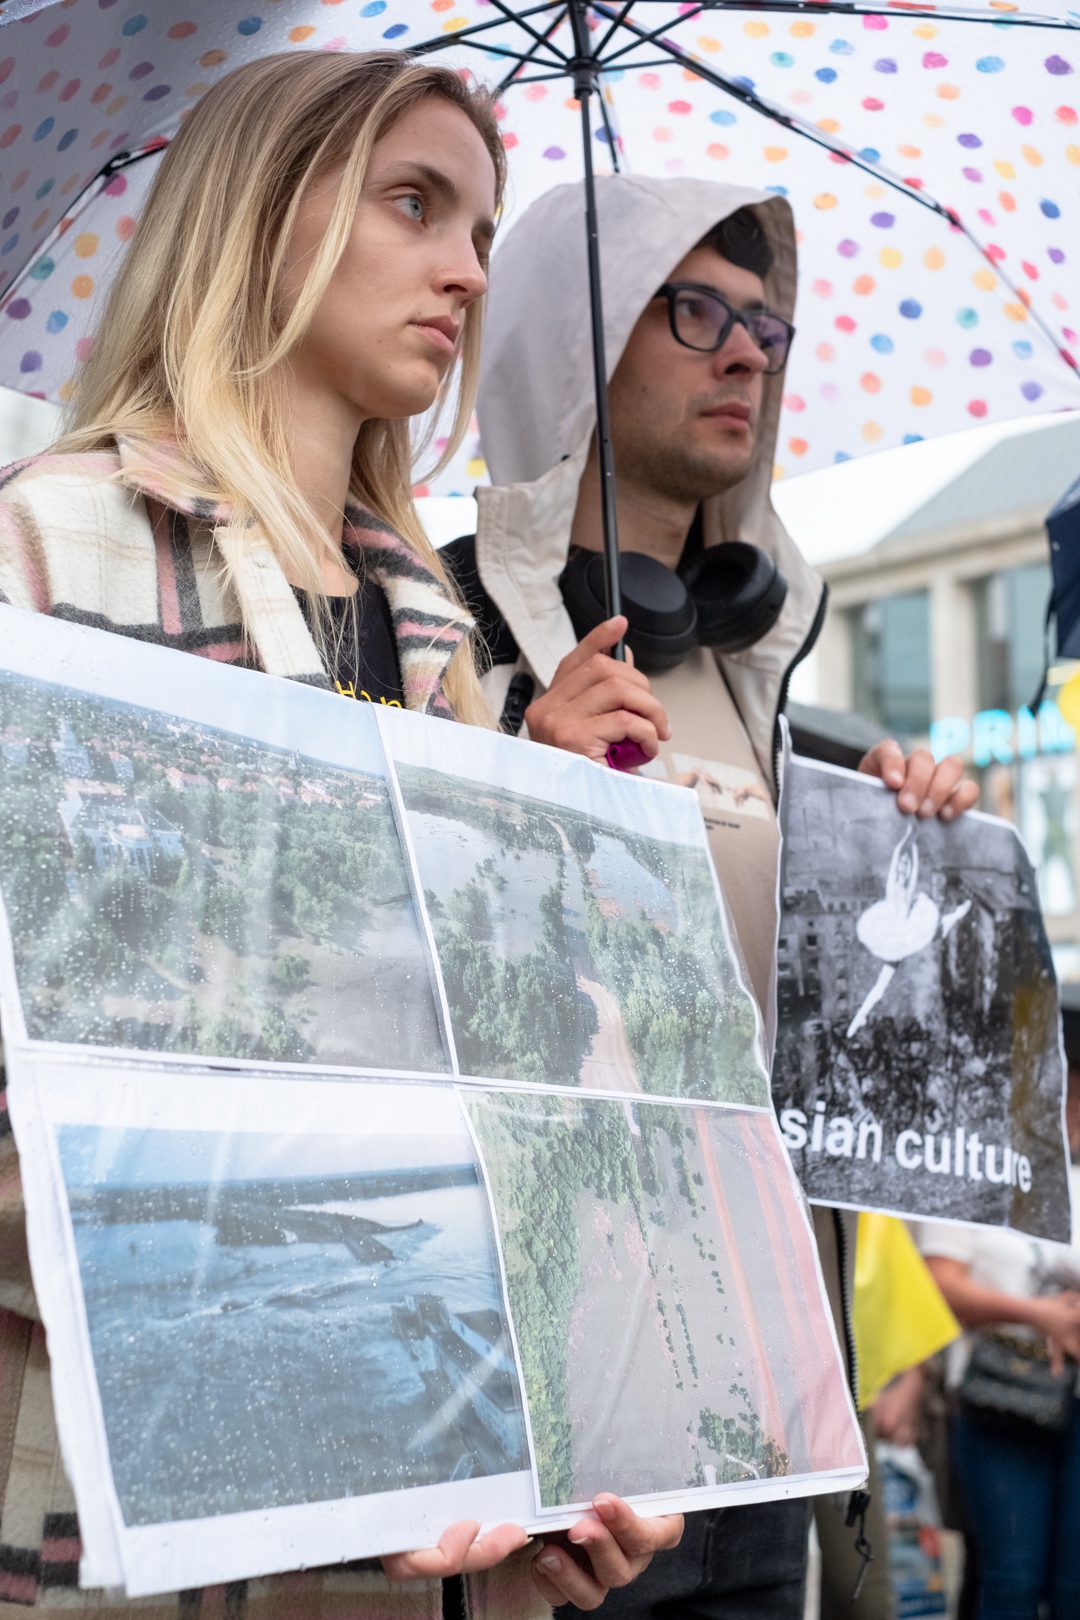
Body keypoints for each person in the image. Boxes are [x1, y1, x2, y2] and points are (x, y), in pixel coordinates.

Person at [0, 52, 681, 1619]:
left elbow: (488, 1077)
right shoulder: (51, 545)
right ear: (253, 217)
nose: (465, 267)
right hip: (135, 1521)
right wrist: (319, 1397)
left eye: (486, 229)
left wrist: (548, 820)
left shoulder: (437, 631)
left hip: (443, 1508)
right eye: (414, 201)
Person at [442, 174, 978, 1619]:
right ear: (571, 344)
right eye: (693, 313)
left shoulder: (777, 685)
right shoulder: (441, 638)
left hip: (767, 1382)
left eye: (764, 325)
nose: (746, 352)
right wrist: (508, 772)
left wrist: (906, 842)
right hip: (555, 1404)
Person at [919, 1040, 1080, 1620]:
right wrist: (1041, 1316)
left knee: (1073, 1587)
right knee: (1009, 1576)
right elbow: (938, 1284)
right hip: (1003, 1393)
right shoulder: (973, 1160)